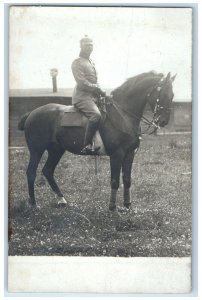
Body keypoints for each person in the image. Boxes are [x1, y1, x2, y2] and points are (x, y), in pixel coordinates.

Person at [71, 35, 106, 154]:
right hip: (82, 97)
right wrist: (97, 88)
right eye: (87, 45)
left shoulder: (91, 62)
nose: (89, 47)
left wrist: (100, 90)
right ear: (81, 46)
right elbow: (82, 82)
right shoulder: (77, 63)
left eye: (91, 45)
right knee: (96, 115)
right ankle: (86, 145)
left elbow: (94, 81)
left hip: (93, 97)